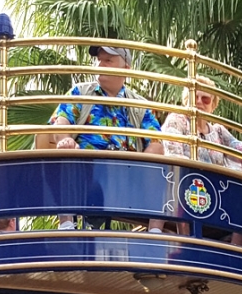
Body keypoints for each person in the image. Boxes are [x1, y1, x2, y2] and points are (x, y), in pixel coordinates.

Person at [48, 45, 163, 231]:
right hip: (86, 171)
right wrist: (65, 139)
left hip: (128, 175)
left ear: (126, 69)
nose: (100, 64)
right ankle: (67, 225)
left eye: (108, 60)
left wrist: (146, 163)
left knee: (160, 163)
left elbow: (156, 145)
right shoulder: (81, 92)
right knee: (66, 149)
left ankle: (155, 233)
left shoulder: (140, 105)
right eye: (99, 60)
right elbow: (61, 122)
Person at [160, 77, 242, 170]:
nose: (199, 102)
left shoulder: (218, 132)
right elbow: (174, 156)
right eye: (194, 97)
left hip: (217, 191)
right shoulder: (176, 120)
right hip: (185, 186)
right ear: (186, 101)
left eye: (206, 99)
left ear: (213, 106)